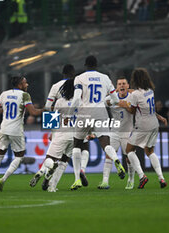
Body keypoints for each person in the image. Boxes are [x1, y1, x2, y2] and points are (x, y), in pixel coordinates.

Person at [69, 55, 125, 190]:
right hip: (101, 113)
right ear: (97, 65)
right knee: (105, 143)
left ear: (85, 65)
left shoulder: (79, 78)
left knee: (77, 145)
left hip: (84, 113)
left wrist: (69, 113)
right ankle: (116, 159)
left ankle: (77, 179)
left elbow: (76, 99)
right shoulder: (105, 78)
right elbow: (116, 100)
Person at [0, 76, 43, 191]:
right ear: (19, 85)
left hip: (4, 128)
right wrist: (46, 109)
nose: (27, 85)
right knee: (19, 156)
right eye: (25, 83)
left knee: (0, 154)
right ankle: (3, 179)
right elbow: (33, 112)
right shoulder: (24, 95)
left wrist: (6, 110)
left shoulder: (4, 94)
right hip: (16, 130)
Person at [29, 79, 75, 192]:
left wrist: (52, 132)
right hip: (74, 135)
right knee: (64, 161)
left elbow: (51, 112)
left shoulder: (60, 102)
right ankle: (52, 187)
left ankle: (41, 171)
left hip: (61, 134)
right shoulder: (80, 102)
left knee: (50, 158)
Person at [126, 68, 167, 189]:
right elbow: (151, 108)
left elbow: (132, 111)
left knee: (129, 150)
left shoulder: (135, 95)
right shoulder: (150, 91)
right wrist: (159, 117)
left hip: (143, 125)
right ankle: (161, 178)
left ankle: (142, 176)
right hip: (154, 124)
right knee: (150, 151)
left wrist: (125, 105)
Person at [98, 77, 135, 190]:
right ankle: (105, 181)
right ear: (116, 87)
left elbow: (134, 111)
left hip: (127, 132)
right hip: (114, 131)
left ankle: (131, 180)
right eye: (119, 84)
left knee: (129, 158)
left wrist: (125, 105)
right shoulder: (110, 98)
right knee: (108, 155)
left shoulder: (132, 97)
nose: (122, 86)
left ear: (128, 86)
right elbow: (102, 103)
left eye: (124, 83)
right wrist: (110, 102)